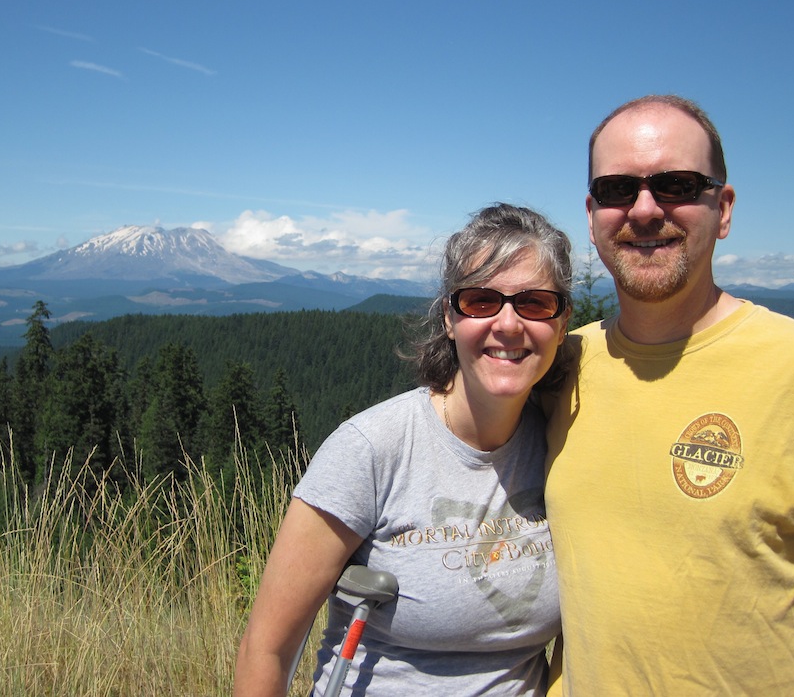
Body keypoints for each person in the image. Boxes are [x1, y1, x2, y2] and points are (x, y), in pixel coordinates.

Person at [543, 94, 794, 695]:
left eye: (678, 184)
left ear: (724, 208)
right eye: (616, 190)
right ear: (591, 214)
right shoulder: (562, 368)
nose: (645, 209)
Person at [234, 203, 574, 696]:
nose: (508, 324)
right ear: (449, 319)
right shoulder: (372, 449)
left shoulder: (564, 444)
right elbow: (266, 649)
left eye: (535, 303)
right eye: (480, 301)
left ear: (562, 323)